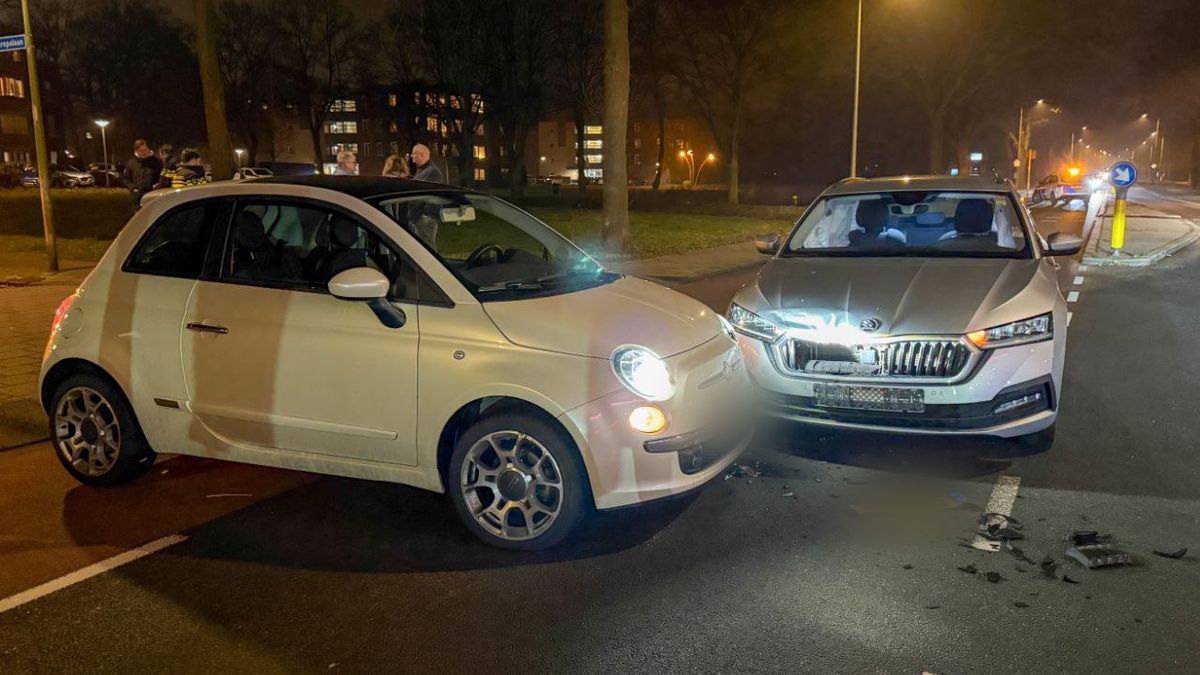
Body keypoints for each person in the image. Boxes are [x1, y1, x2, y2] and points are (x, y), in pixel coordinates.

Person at [122, 139, 163, 206]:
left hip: (152, 196)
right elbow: (125, 178)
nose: (144, 152)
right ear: (136, 151)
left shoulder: (156, 162)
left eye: (145, 149)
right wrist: (133, 187)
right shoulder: (131, 163)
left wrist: (158, 185)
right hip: (137, 198)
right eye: (140, 151)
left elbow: (161, 176)